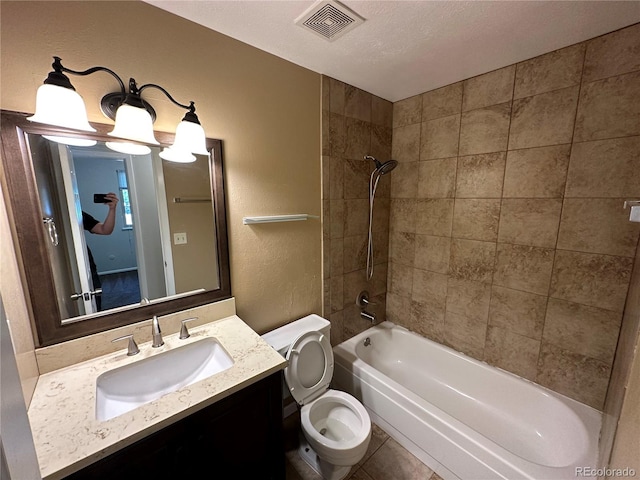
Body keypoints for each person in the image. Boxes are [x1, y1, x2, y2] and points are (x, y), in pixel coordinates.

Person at [82, 192, 119, 311]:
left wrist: (112, 209)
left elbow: (105, 229)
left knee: (95, 302)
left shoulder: (78, 214)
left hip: (87, 265)